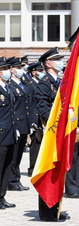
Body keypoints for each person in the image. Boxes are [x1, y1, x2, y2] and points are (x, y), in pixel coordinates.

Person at [35, 47, 69, 221]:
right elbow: (43, 107)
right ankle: (47, 211)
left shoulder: (59, 81)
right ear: (48, 63)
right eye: (57, 59)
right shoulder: (44, 83)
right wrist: (57, 124)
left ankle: (55, 207)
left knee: (58, 171)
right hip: (51, 133)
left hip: (60, 132)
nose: (61, 62)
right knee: (49, 171)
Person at [8, 57, 31, 191]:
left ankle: (16, 178)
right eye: (18, 68)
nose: (21, 70)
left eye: (22, 68)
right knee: (13, 155)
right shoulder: (11, 85)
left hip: (24, 125)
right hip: (16, 124)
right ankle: (12, 181)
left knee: (19, 155)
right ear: (12, 70)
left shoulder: (21, 84)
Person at [0, 57, 16, 209]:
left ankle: (2, 196)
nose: (7, 72)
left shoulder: (8, 87)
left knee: (6, 167)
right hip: (1, 134)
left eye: (7, 69)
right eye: (3, 69)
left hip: (10, 134)